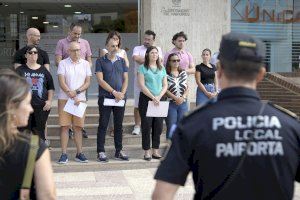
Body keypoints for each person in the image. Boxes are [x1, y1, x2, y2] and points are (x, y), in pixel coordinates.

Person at [152, 32, 300, 200]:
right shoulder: (290, 126)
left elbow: (161, 194)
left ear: (220, 70)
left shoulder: (193, 125)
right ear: (261, 74)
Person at [0, 69, 56, 199]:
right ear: (12, 106)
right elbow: (47, 195)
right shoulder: (34, 147)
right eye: (27, 103)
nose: (30, 109)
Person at [57, 41, 92, 164]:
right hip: (64, 99)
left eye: (79, 50)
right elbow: (61, 82)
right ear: (68, 51)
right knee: (65, 127)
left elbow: (87, 82)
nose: (77, 52)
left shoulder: (86, 64)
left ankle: (79, 153)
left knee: (78, 127)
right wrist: (70, 93)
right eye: (74, 50)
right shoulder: (62, 63)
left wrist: (76, 92)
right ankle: (64, 154)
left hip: (79, 100)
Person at [55, 22, 92, 139]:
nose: (77, 36)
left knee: (80, 106)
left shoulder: (85, 43)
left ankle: (80, 127)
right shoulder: (61, 43)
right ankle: (69, 129)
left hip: (81, 79)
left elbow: (89, 59)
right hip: (67, 78)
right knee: (67, 110)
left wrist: (85, 68)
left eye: (79, 34)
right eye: (75, 33)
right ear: (69, 32)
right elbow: (58, 60)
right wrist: (68, 66)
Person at [95, 38, 129, 162]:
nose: (115, 48)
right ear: (107, 47)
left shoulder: (122, 61)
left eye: (116, 46)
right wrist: (114, 92)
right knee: (103, 124)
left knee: (119, 125)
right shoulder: (100, 61)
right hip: (106, 97)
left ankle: (119, 150)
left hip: (120, 98)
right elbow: (100, 80)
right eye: (112, 46)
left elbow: (125, 79)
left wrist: (122, 94)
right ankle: (101, 152)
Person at [16, 45, 55, 144]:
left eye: (35, 52)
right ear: (26, 55)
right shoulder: (20, 70)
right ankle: (23, 157)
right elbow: (14, 88)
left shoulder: (44, 70)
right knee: (23, 133)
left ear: (38, 55)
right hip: (24, 107)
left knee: (37, 135)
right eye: (30, 52)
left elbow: (51, 87)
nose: (33, 54)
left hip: (41, 107)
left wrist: (49, 101)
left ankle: (34, 158)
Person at [138, 46, 167, 161]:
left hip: (160, 100)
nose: (154, 55)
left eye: (156, 53)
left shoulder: (162, 68)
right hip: (146, 100)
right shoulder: (142, 68)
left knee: (158, 126)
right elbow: (142, 85)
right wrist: (152, 97)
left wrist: (159, 97)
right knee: (146, 126)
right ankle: (147, 152)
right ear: (147, 55)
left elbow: (165, 85)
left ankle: (155, 150)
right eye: (152, 53)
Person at [132, 30, 163, 136]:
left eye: (149, 39)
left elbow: (160, 61)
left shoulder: (158, 49)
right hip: (140, 83)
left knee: (154, 103)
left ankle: (151, 126)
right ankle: (137, 125)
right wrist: (150, 59)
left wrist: (148, 59)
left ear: (153, 40)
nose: (146, 41)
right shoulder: (137, 48)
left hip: (155, 84)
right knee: (137, 105)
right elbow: (135, 58)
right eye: (145, 39)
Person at [99, 31, 129, 137]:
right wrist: (114, 92)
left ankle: (118, 144)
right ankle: (111, 129)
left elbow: (127, 65)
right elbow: (106, 63)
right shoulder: (104, 51)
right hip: (108, 90)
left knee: (118, 118)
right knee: (106, 118)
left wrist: (121, 93)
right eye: (113, 38)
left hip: (120, 86)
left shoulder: (122, 53)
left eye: (117, 39)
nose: (116, 40)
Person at [165, 53, 188, 139]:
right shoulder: (165, 73)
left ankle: (181, 148)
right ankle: (170, 148)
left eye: (178, 60)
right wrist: (175, 98)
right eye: (174, 60)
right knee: (171, 126)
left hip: (183, 103)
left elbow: (187, 86)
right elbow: (165, 89)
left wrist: (183, 97)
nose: (176, 62)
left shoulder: (183, 73)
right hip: (171, 103)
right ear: (169, 62)